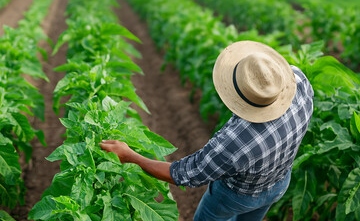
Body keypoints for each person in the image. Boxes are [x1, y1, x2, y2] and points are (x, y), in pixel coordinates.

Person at [100, 41, 314, 221]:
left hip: (235, 196)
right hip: (279, 183)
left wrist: (130, 156)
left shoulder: (233, 142)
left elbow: (184, 174)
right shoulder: (299, 81)